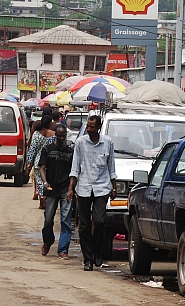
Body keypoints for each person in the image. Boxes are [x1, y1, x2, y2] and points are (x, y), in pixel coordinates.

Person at [67, 115, 116, 271]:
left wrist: (114, 187)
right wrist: (70, 188)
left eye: (92, 127)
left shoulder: (107, 143)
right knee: (84, 225)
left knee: (100, 221)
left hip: (102, 187)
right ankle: (88, 259)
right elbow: (75, 167)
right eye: (87, 126)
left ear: (98, 128)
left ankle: (97, 252)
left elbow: (111, 167)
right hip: (84, 188)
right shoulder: (81, 143)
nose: (89, 129)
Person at [39, 124, 74, 259]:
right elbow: (42, 168)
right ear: (55, 135)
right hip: (51, 188)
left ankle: (63, 249)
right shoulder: (48, 149)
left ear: (65, 136)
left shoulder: (70, 152)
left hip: (65, 188)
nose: (61, 138)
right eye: (58, 136)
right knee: (48, 219)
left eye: (63, 136)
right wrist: (45, 182)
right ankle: (47, 241)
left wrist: (71, 188)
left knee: (65, 220)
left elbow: (73, 172)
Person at [26, 116, 55, 209]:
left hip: (39, 161)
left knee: (39, 181)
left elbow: (32, 149)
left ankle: (42, 196)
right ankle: (47, 196)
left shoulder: (36, 134)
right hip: (51, 162)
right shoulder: (54, 135)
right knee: (48, 180)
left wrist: (29, 162)